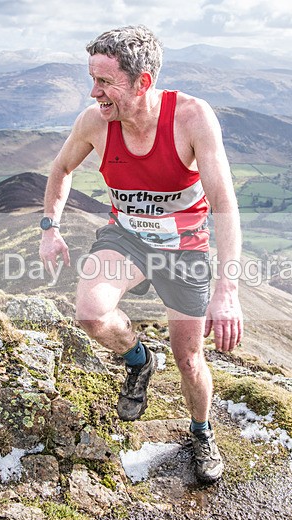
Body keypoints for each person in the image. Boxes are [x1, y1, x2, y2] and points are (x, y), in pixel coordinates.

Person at [39, 25, 243, 483]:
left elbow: (225, 206)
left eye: (105, 82)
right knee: (91, 314)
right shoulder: (95, 121)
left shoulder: (192, 118)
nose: (95, 93)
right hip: (127, 239)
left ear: (143, 81)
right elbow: (60, 168)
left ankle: (201, 431)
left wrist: (227, 290)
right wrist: (50, 228)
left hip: (184, 248)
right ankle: (138, 360)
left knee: (189, 358)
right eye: (92, 79)